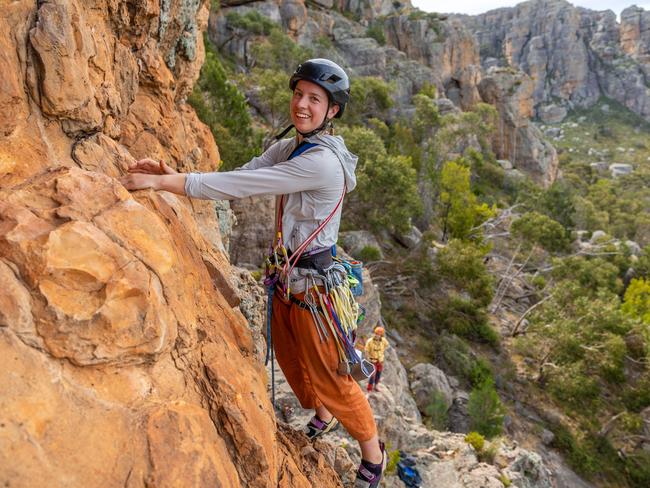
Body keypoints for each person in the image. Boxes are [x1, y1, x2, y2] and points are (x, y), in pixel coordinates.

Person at [120, 58, 386, 488]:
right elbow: (246, 174)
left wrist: (167, 185)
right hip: (289, 277)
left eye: (314, 99)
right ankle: (321, 415)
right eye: (298, 94)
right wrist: (178, 176)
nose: (301, 104)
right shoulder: (293, 146)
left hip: (314, 286)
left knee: (333, 378)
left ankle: (373, 457)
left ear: (332, 110)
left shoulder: (321, 163)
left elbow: (245, 188)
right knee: (291, 358)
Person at [365, 326, 390, 392]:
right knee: (372, 376)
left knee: (378, 373)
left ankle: (376, 386)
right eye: (376, 333)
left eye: (379, 334)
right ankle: (369, 390)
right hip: (372, 360)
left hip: (380, 361)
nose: (377, 335)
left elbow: (387, 346)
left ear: (381, 335)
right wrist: (368, 359)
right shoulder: (370, 341)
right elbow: (366, 351)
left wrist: (382, 354)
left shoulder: (383, 340)